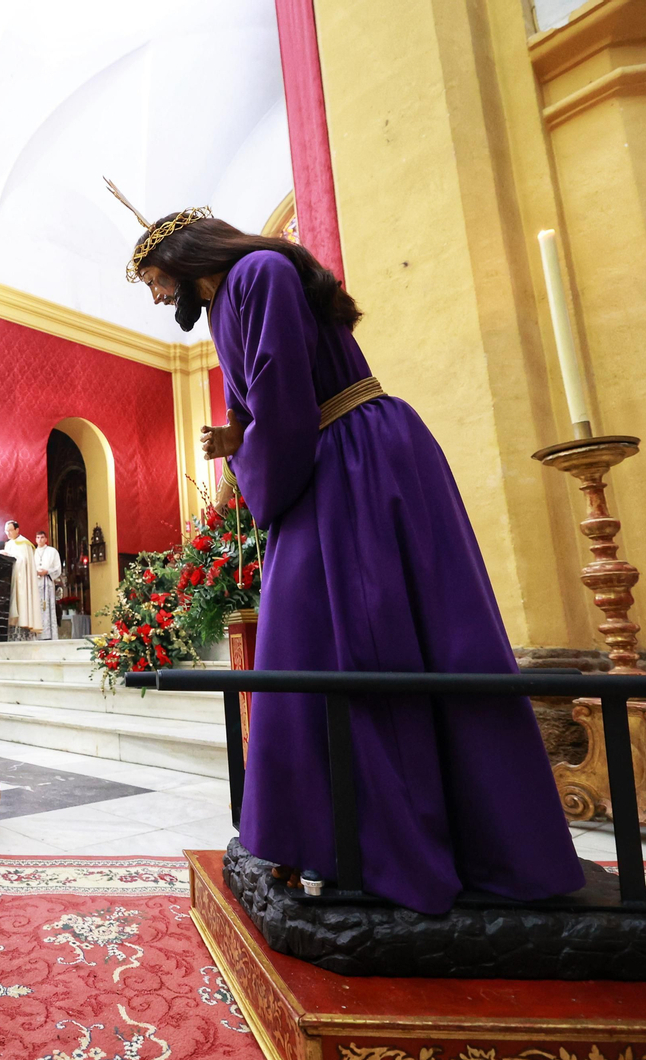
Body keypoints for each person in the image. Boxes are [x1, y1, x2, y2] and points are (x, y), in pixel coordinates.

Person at [127, 201, 583, 914]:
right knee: (321, 645)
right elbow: (261, 400)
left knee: (354, 642)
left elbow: (285, 397)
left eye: (154, 279)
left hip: (353, 460)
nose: (156, 296)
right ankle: (339, 836)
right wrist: (235, 437)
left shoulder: (260, 271)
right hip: (334, 460)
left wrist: (256, 460)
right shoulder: (228, 302)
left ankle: (393, 845)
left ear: (183, 260)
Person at [0, 520, 39, 641]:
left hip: (22, 582)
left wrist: (9, 556)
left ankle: (23, 631)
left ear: (17, 530)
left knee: (22, 604)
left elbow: (23, 562)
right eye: (6, 531)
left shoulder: (24, 544)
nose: (8, 533)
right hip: (11, 579)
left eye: (10, 530)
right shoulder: (9, 544)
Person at [32, 531, 63, 641]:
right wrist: (35, 572)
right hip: (35, 584)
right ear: (35, 539)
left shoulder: (52, 551)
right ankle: (37, 634)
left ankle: (49, 634)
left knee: (47, 607)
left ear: (46, 539)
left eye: (42, 537)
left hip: (47, 583)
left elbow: (58, 568)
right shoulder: (33, 552)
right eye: (37, 537)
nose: (39, 539)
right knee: (36, 607)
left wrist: (47, 571)